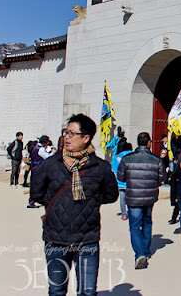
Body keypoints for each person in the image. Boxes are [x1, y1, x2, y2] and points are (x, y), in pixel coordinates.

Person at [30, 114, 119, 296]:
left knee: (87, 292)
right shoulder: (51, 164)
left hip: (87, 240)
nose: (67, 137)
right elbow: (36, 193)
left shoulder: (100, 168)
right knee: (56, 290)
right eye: (66, 132)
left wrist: (90, 201)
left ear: (86, 138)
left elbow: (111, 195)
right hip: (56, 238)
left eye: (72, 133)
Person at [117, 132, 166, 269]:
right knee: (147, 222)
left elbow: (120, 177)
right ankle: (145, 250)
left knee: (134, 225)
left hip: (133, 196)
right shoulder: (156, 159)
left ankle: (140, 253)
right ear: (149, 142)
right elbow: (162, 178)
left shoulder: (127, 159)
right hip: (150, 196)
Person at [111, 140, 133, 220]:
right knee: (131, 198)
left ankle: (124, 213)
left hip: (121, 181)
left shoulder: (118, 158)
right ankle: (132, 212)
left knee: (122, 198)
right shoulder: (132, 157)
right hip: (131, 181)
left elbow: (114, 169)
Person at [28, 136, 52, 208]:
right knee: (38, 185)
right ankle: (31, 202)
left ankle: (33, 200)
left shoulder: (36, 147)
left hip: (34, 168)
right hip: (38, 169)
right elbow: (47, 157)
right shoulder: (40, 149)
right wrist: (52, 152)